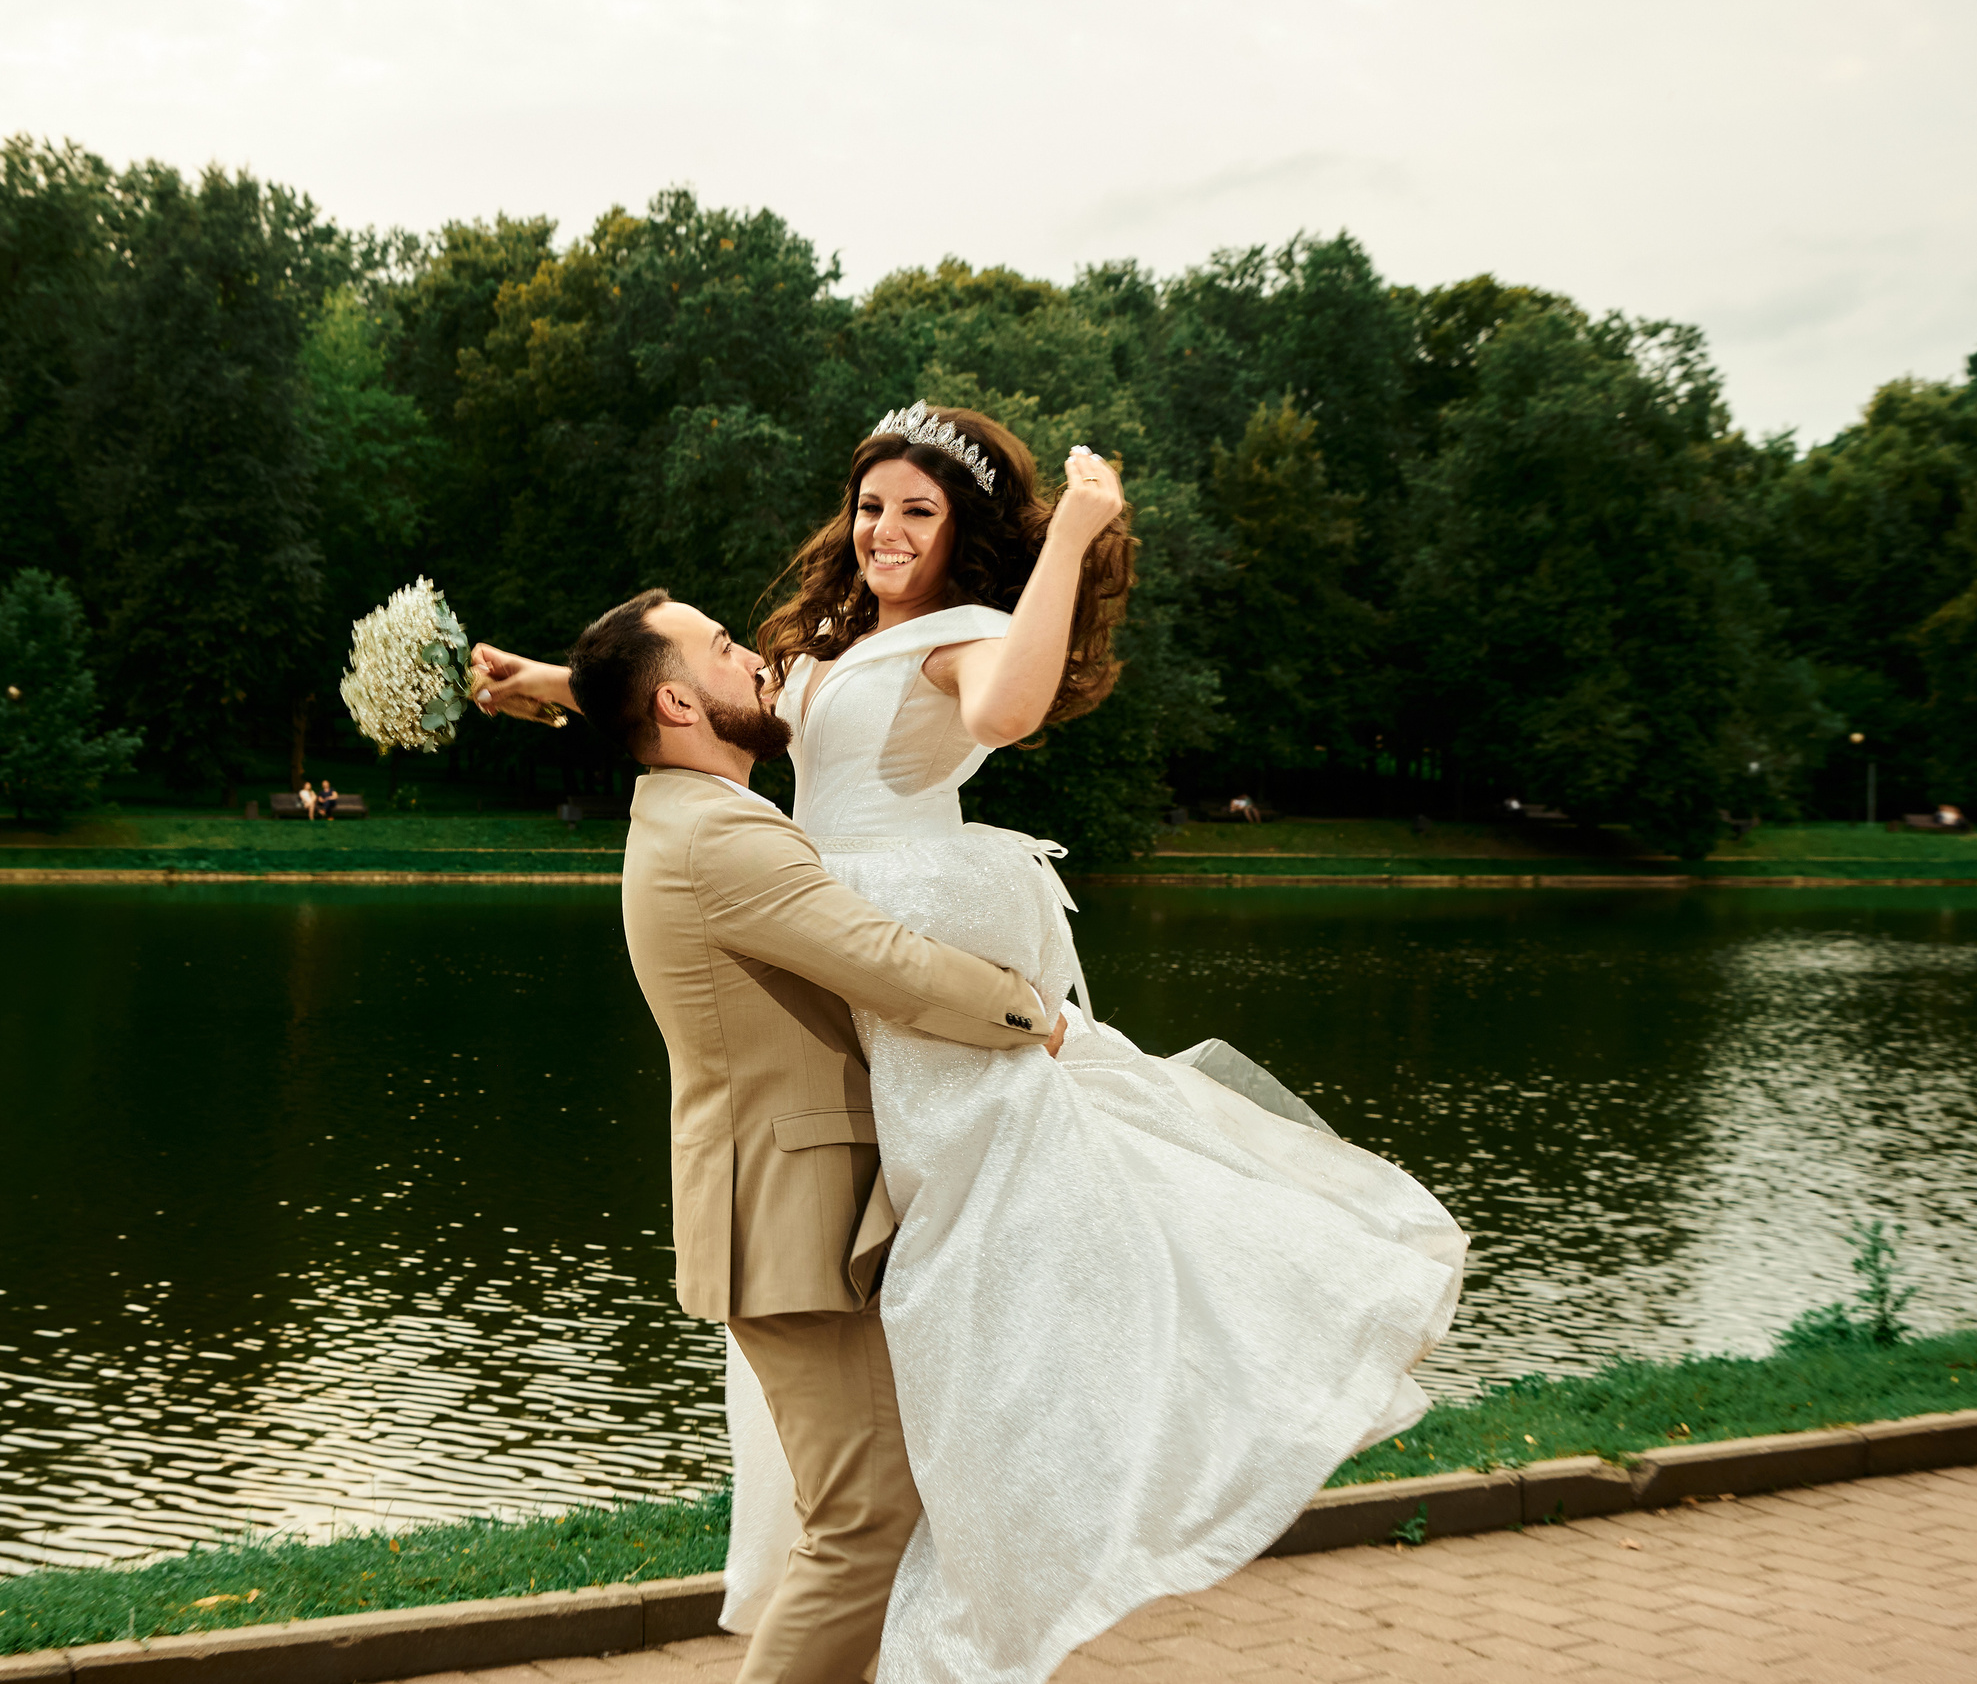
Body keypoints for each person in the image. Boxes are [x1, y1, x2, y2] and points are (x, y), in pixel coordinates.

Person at [478, 404, 1464, 1684]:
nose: (884, 531)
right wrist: (560, 688)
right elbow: (719, 700)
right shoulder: (824, 652)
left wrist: (1083, 533)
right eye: (871, 505)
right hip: (846, 962)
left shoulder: (966, 636)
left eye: (919, 512)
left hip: (900, 955)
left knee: (969, 1320)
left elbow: (1001, 711)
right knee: (884, 1459)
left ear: (966, 536)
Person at [480, 596, 1065, 1684]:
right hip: (785, 1215)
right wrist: (1034, 1011)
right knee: (863, 1518)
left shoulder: (685, 809)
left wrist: (549, 681)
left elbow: (635, 682)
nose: (756, 659)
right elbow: (884, 960)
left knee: (878, 1505)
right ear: (676, 701)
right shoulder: (722, 834)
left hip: (790, 1202)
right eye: (723, 650)